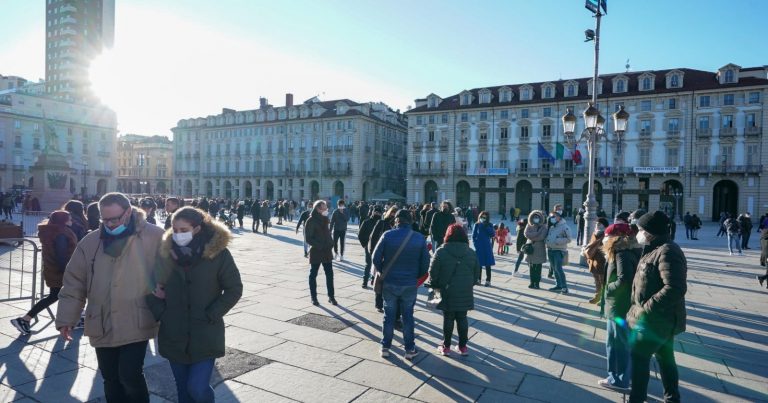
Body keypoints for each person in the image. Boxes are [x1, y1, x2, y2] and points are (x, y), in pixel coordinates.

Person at [56, 192, 165, 403]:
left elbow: (170, 271)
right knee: (110, 379)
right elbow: (74, 281)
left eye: (115, 218)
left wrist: (163, 293)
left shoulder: (154, 235)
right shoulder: (90, 241)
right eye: (105, 219)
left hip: (137, 319)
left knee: (130, 375)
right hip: (101, 320)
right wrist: (66, 318)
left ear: (128, 212)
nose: (110, 224)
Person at [146, 207, 242, 403]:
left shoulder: (218, 254)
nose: (178, 235)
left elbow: (234, 288)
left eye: (183, 230)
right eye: (175, 230)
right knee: (183, 391)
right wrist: (162, 312)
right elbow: (149, 286)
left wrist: (213, 313)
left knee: (197, 388)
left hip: (205, 332)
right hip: (173, 332)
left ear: (197, 228)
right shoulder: (165, 254)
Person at [626, 211, 687, 403]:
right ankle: (672, 398)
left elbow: (675, 287)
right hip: (658, 319)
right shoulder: (653, 248)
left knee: (639, 361)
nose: (638, 232)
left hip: (655, 320)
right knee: (666, 359)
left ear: (650, 232)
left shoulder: (667, 251)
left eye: (641, 229)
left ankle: (637, 399)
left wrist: (646, 308)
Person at [372, 209, 429, 360]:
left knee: (388, 315)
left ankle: (385, 347)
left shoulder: (387, 235)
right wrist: (415, 276)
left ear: (396, 220)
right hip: (409, 283)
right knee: (408, 316)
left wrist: (382, 271)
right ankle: (410, 349)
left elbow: (375, 257)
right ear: (410, 221)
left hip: (390, 282)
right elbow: (425, 264)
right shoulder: (419, 238)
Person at [10, 211, 78, 335]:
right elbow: (61, 256)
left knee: (59, 295)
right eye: (69, 218)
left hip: (54, 270)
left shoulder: (53, 231)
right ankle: (24, 319)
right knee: (56, 295)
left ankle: (26, 319)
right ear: (63, 220)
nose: (71, 220)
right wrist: (69, 272)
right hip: (60, 271)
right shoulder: (61, 233)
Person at [429, 224, 481, 356]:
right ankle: (463, 347)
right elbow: (477, 274)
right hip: (464, 290)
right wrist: (468, 284)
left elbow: (433, 272)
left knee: (448, 317)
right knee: (462, 317)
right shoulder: (471, 252)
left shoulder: (441, 251)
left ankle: (446, 346)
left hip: (446, 291)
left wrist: (436, 286)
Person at [598, 223, 638, 391]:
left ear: (615, 238)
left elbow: (624, 279)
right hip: (617, 305)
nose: (604, 239)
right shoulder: (622, 252)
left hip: (619, 306)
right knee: (616, 343)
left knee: (617, 344)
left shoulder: (621, 254)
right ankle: (617, 377)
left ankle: (619, 380)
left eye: (607, 236)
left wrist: (608, 289)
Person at [305, 200, 336, 306]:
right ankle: (314, 297)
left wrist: (331, 242)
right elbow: (308, 238)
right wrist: (320, 245)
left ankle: (331, 296)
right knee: (313, 274)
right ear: (318, 209)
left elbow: (328, 233)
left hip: (327, 251)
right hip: (317, 251)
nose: (326, 210)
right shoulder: (311, 220)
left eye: (326, 208)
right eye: (324, 208)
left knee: (330, 274)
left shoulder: (325, 219)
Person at [583, 217, 609, 304]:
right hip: (593, 261)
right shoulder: (595, 233)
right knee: (596, 281)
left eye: (600, 224)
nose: (597, 225)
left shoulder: (606, 235)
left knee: (602, 282)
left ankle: (603, 299)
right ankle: (597, 296)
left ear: (605, 226)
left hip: (601, 261)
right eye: (597, 223)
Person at [546, 207, 572, 294]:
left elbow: (569, 239)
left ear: (559, 217)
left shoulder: (564, 226)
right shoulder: (551, 225)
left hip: (559, 250)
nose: (552, 218)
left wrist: (557, 241)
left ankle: (564, 287)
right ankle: (558, 285)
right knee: (554, 268)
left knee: (558, 268)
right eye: (551, 216)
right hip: (550, 249)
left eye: (554, 216)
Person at [358, 206, 382, 288]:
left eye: (379, 213)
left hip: (379, 247)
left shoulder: (382, 223)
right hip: (368, 246)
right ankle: (365, 281)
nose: (377, 214)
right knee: (368, 264)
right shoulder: (366, 222)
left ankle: (373, 279)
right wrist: (364, 244)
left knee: (377, 264)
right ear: (372, 212)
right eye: (376, 212)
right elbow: (360, 234)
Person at [524, 210, 548, 289]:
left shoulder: (543, 226)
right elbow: (526, 234)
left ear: (540, 218)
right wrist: (536, 234)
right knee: (531, 266)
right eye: (534, 217)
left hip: (539, 249)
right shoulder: (529, 225)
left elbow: (542, 237)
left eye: (537, 217)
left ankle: (537, 283)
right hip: (531, 248)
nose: (536, 218)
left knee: (538, 267)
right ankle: (531, 282)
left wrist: (532, 236)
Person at [472, 211, 495, 287]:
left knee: (488, 264)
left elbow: (492, 234)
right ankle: (478, 279)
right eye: (482, 217)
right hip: (479, 247)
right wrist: (475, 245)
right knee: (479, 264)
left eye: (484, 217)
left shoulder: (489, 225)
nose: (483, 218)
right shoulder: (477, 224)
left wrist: (486, 226)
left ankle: (488, 280)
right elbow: (473, 236)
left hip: (487, 246)